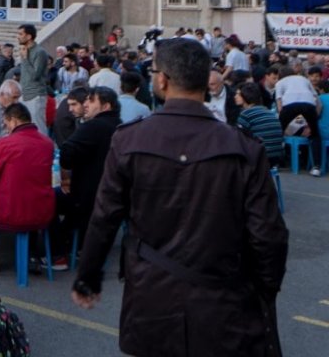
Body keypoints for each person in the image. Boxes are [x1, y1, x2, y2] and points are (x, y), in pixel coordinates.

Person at [71, 37, 288, 355]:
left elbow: (104, 217)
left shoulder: (129, 140)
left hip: (153, 296)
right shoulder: (242, 147)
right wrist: (264, 290)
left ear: (162, 79)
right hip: (224, 298)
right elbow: (269, 235)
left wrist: (88, 277)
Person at [54, 87, 121, 266]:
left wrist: (67, 176)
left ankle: (56, 252)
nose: (86, 104)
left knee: (46, 200)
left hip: (86, 197)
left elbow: (67, 152)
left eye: (91, 101)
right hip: (109, 196)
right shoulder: (119, 125)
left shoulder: (94, 126)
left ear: (105, 106)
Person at [0, 102, 55, 246]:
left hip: (10, 210)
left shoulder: (5, 144)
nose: (6, 128)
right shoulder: (47, 143)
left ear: (14, 120)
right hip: (41, 209)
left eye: (6, 123)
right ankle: (33, 256)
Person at [273, 65, 322, 174]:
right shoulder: (304, 79)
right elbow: (317, 101)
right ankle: (316, 167)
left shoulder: (280, 83)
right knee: (315, 135)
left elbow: (279, 105)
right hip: (309, 104)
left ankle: (276, 162)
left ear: (280, 76)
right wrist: (314, 120)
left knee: (278, 133)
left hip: (289, 105)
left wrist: (283, 125)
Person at [235, 82, 285, 165]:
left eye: (238, 94)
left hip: (260, 157)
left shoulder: (246, 114)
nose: (235, 96)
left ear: (245, 96)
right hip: (276, 156)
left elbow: (238, 137)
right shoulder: (268, 111)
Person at [17, 24, 50, 130]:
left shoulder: (40, 52)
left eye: (21, 34)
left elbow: (35, 75)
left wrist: (25, 59)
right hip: (24, 94)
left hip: (36, 95)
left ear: (29, 36)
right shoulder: (24, 50)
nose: (18, 36)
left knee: (38, 127)